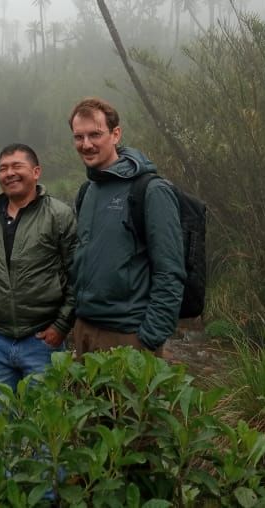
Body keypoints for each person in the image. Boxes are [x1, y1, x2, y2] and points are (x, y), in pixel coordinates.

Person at [0, 143, 77, 413]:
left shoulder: (59, 215)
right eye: (3, 168)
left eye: (17, 166)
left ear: (36, 172)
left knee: (44, 431)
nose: (9, 173)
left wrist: (61, 325)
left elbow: (77, 276)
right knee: (1, 433)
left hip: (43, 342)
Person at [69, 97, 185, 356]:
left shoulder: (150, 190)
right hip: (84, 331)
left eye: (95, 135)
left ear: (115, 134)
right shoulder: (87, 191)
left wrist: (149, 338)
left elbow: (171, 272)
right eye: (79, 137)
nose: (86, 144)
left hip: (128, 337)